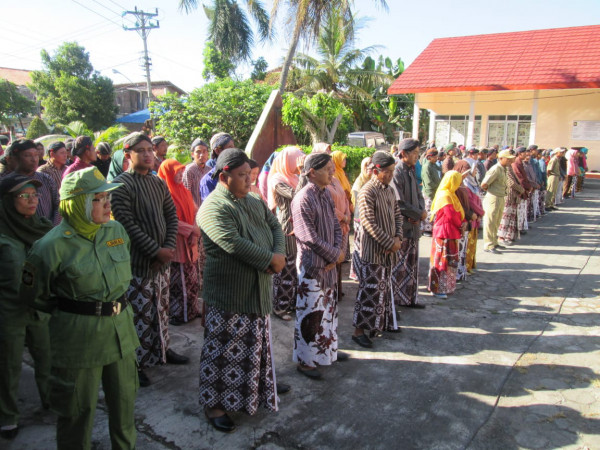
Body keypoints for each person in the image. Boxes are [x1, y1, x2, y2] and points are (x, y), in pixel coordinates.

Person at [21, 167, 139, 449]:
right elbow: (33, 297)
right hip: (78, 338)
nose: (107, 203)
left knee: (124, 407)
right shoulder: (50, 247)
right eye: (98, 198)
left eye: (106, 197)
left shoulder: (116, 230)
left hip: (120, 331)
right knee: (77, 412)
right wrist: (72, 309)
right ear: (76, 203)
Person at [196, 148, 286, 433]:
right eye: (243, 176)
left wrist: (279, 254)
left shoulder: (252, 198)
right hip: (229, 292)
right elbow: (232, 243)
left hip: (257, 286)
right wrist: (269, 260)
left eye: (250, 175)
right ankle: (214, 405)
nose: (250, 181)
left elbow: (274, 225)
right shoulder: (213, 207)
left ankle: (256, 389)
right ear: (224, 176)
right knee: (223, 349)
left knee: (253, 346)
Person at [110, 133, 188, 387]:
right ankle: (136, 362)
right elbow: (127, 225)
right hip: (139, 264)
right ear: (127, 153)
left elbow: (171, 216)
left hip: (161, 262)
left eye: (149, 150)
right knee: (138, 316)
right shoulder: (121, 185)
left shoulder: (157, 184)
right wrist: (154, 250)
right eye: (140, 150)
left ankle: (163, 349)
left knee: (161, 309)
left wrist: (166, 248)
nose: (147, 154)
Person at [0, 175, 53, 440]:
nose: (33, 200)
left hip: (39, 306)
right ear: (8, 202)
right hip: (9, 308)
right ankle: (8, 415)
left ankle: (50, 401)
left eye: (35, 195)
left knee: (46, 356)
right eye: (25, 196)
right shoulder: (2, 233)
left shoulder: (41, 227)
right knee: (9, 363)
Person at [292, 153, 348, 380]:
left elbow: (336, 225)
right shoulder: (303, 198)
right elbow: (308, 238)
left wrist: (338, 250)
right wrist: (335, 254)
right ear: (312, 172)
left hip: (329, 265)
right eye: (327, 169)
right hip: (313, 266)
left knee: (327, 311)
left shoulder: (324, 194)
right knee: (311, 314)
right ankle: (306, 361)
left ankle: (326, 351)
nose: (332, 172)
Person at [351, 151, 402, 349]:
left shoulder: (389, 190)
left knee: (382, 290)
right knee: (368, 292)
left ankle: (378, 325)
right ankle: (358, 332)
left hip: (389, 251)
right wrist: (389, 243)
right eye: (387, 172)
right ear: (375, 170)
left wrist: (397, 238)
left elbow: (397, 215)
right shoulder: (367, 191)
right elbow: (369, 223)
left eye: (392, 171)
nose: (390, 175)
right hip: (373, 252)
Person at [157, 159, 201, 326]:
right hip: (176, 244)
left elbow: (196, 211)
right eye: (177, 172)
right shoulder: (163, 194)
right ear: (168, 173)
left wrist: (194, 230)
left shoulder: (184, 191)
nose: (181, 175)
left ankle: (191, 310)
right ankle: (178, 314)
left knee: (191, 280)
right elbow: (168, 219)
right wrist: (190, 230)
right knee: (178, 282)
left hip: (190, 242)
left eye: (182, 171)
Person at [267, 146, 304, 320]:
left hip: (299, 227)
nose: (298, 163)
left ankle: (291, 302)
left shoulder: (295, 177)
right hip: (286, 229)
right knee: (285, 268)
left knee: (295, 266)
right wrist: (304, 173)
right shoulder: (277, 179)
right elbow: (298, 195)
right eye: (296, 159)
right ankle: (279, 305)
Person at [392, 138, 426, 309]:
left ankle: (409, 298)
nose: (416, 157)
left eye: (418, 154)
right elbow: (399, 203)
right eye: (414, 153)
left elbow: (419, 194)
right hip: (403, 227)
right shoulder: (397, 171)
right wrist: (417, 213)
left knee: (412, 266)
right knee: (400, 267)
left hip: (414, 226)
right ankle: (398, 300)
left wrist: (421, 212)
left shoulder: (411, 170)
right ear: (404, 153)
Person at [427, 171, 466, 299]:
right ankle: (437, 288)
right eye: (457, 181)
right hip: (444, 232)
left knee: (449, 261)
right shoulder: (445, 195)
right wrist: (461, 223)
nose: (459, 184)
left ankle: (446, 286)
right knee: (441, 261)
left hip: (450, 232)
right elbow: (450, 214)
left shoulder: (451, 194)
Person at [8, 139, 60, 225]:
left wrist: (52, 227)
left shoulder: (46, 179)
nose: (34, 159)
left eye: (36, 155)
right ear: (16, 158)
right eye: (28, 155)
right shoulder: (7, 183)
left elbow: (58, 204)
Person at [480, 149, 514, 253]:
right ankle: (488, 245)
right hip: (493, 198)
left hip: (500, 197)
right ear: (501, 159)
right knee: (490, 222)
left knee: (496, 221)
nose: (510, 161)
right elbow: (484, 184)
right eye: (507, 159)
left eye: (510, 160)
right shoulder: (496, 169)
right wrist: (491, 191)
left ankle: (494, 242)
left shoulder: (503, 169)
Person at [327, 153, 351, 298]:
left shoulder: (335, 180)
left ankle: (338, 289)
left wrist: (347, 216)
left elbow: (345, 199)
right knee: (333, 258)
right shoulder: (323, 186)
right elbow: (329, 205)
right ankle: (332, 291)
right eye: (328, 167)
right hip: (333, 224)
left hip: (343, 225)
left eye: (331, 166)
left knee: (340, 260)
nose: (331, 169)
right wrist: (343, 217)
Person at [453, 161, 484, 274]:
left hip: (472, 218)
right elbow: (467, 203)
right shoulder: (460, 185)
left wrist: (479, 214)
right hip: (465, 218)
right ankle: (461, 270)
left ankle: (468, 266)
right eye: (471, 171)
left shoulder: (468, 184)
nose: (474, 172)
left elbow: (477, 200)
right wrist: (474, 213)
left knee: (468, 244)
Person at [349, 157, 373, 280]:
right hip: (360, 219)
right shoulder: (358, 184)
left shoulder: (372, 181)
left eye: (371, 164)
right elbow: (356, 205)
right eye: (366, 165)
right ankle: (357, 272)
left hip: (368, 219)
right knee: (359, 246)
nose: (369, 167)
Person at [199, 133, 235, 201]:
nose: (234, 151)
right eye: (230, 147)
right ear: (218, 151)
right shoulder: (209, 180)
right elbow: (210, 208)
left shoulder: (238, 173)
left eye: (233, 147)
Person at [182, 138, 210, 208]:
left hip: (208, 210)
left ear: (207, 153)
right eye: (198, 152)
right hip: (195, 211)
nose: (202, 155)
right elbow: (186, 194)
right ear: (192, 154)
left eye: (204, 151)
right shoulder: (189, 170)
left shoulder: (209, 170)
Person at [421, 148, 441, 236]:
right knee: (428, 211)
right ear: (429, 157)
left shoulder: (433, 165)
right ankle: (426, 230)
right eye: (435, 157)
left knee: (433, 211)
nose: (437, 158)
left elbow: (440, 169)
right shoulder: (427, 167)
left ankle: (431, 228)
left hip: (435, 191)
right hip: (429, 192)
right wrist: (438, 187)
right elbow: (428, 183)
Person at [512, 147, 532, 235]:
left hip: (524, 189)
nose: (526, 154)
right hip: (520, 190)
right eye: (524, 153)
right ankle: (518, 228)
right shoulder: (516, 163)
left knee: (522, 210)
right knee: (519, 210)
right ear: (520, 154)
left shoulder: (520, 162)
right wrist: (525, 188)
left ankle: (522, 226)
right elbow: (520, 178)